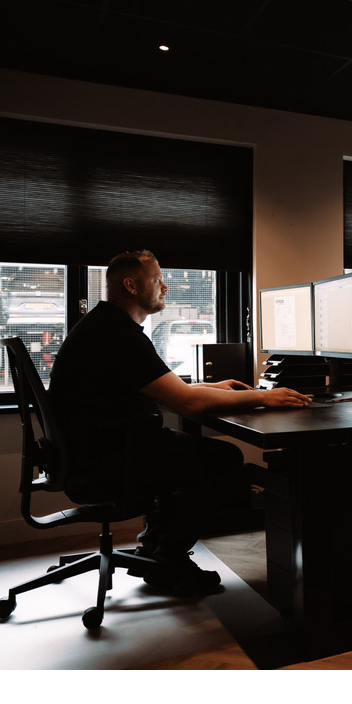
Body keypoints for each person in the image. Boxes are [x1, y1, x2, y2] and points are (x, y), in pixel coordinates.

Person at [49, 249, 312, 596]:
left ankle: (155, 549)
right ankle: (168, 558)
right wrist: (264, 397)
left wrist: (212, 387)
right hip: (111, 460)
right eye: (157, 279)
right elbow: (186, 402)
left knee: (187, 452)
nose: (165, 286)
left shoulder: (106, 325)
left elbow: (166, 388)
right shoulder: (118, 334)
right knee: (224, 459)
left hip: (98, 454)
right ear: (131, 285)